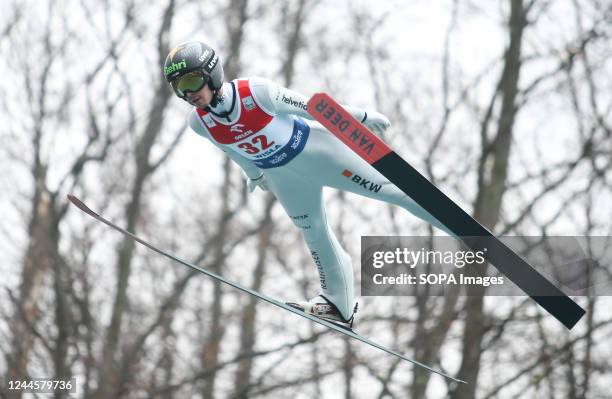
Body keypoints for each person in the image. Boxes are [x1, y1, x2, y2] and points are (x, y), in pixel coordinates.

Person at [164, 41, 450, 327]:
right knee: (313, 232)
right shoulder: (199, 123)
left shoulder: (255, 92)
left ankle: (465, 230)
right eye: (179, 88)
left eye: (192, 80)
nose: (188, 94)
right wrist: (255, 176)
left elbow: (313, 109)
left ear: (212, 74)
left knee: (395, 192)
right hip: (282, 176)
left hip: (318, 153)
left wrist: (359, 117)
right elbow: (232, 150)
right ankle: (338, 303)